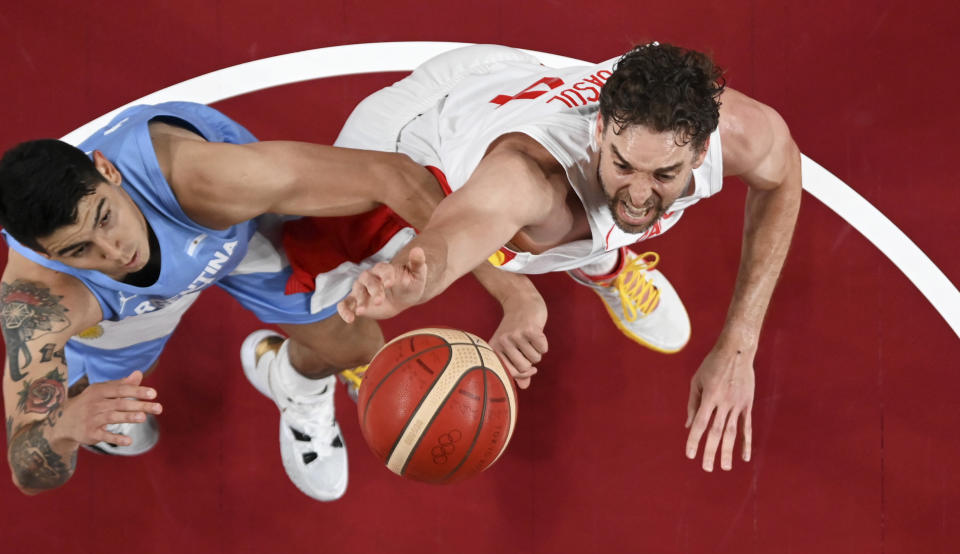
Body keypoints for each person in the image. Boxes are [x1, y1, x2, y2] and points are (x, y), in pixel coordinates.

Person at [0, 101, 546, 501]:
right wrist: (66, 428)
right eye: (78, 249)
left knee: (361, 346)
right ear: (40, 252)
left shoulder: (204, 179)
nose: (114, 250)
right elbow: (27, 462)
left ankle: (294, 381)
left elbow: (392, 176)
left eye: (105, 218)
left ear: (109, 171)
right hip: (118, 308)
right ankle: (101, 409)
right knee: (108, 419)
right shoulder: (42, 301)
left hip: (227, 238)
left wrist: (513, 292)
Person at [333, 43, 802, 473]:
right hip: (405, 137)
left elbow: (782, 176)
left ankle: (602, 263)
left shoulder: (738, 131)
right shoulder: (528, 178)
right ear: (599, 129)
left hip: (501, 79)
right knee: (319, 289)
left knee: (594, 217)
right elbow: (465, 224)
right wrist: (422, 276)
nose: (640, 194)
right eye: (623, 165)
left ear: (701, 150)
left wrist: (740, 346)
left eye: (664, 174)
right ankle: (304, 371)